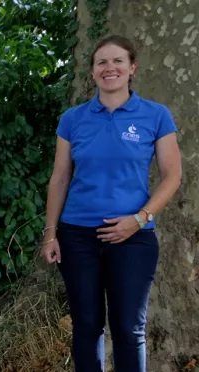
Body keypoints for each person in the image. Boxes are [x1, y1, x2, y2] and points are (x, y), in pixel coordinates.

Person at [40, 35, 181, 372]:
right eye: (102, 62)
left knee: (129, 330)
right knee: (87, 326)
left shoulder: (156, 115)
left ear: (132, 67)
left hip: (134, 236)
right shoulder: (73, 119)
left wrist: (139, 218)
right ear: (92, 72)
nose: (110, 68)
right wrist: (50, 233)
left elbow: (172, 175)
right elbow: (60, 177)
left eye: (118, 61)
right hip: (77, 237)